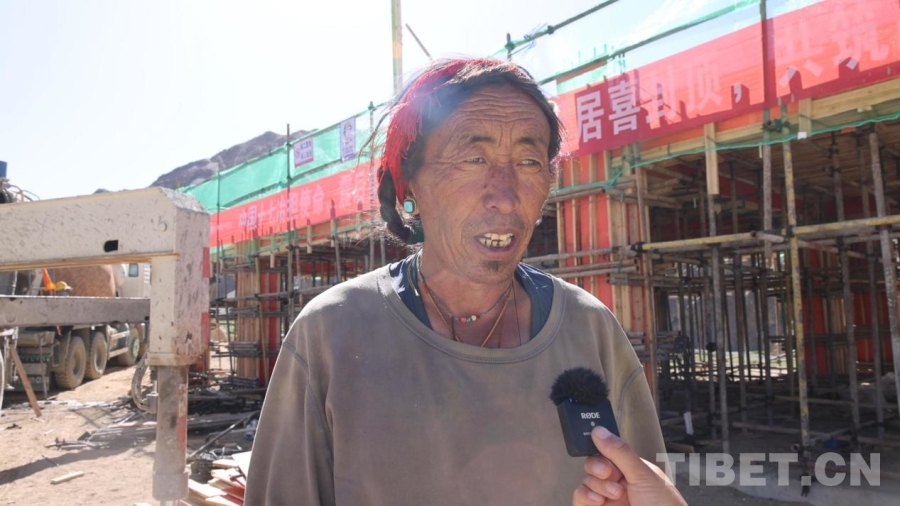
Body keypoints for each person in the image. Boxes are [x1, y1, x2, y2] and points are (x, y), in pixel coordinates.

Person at [245, 58, 686, 506]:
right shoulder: (331, 333)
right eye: (474, 159)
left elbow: (647, 486)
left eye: (529, 162)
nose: (505, 196)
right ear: (409, 184)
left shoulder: (591, 330)